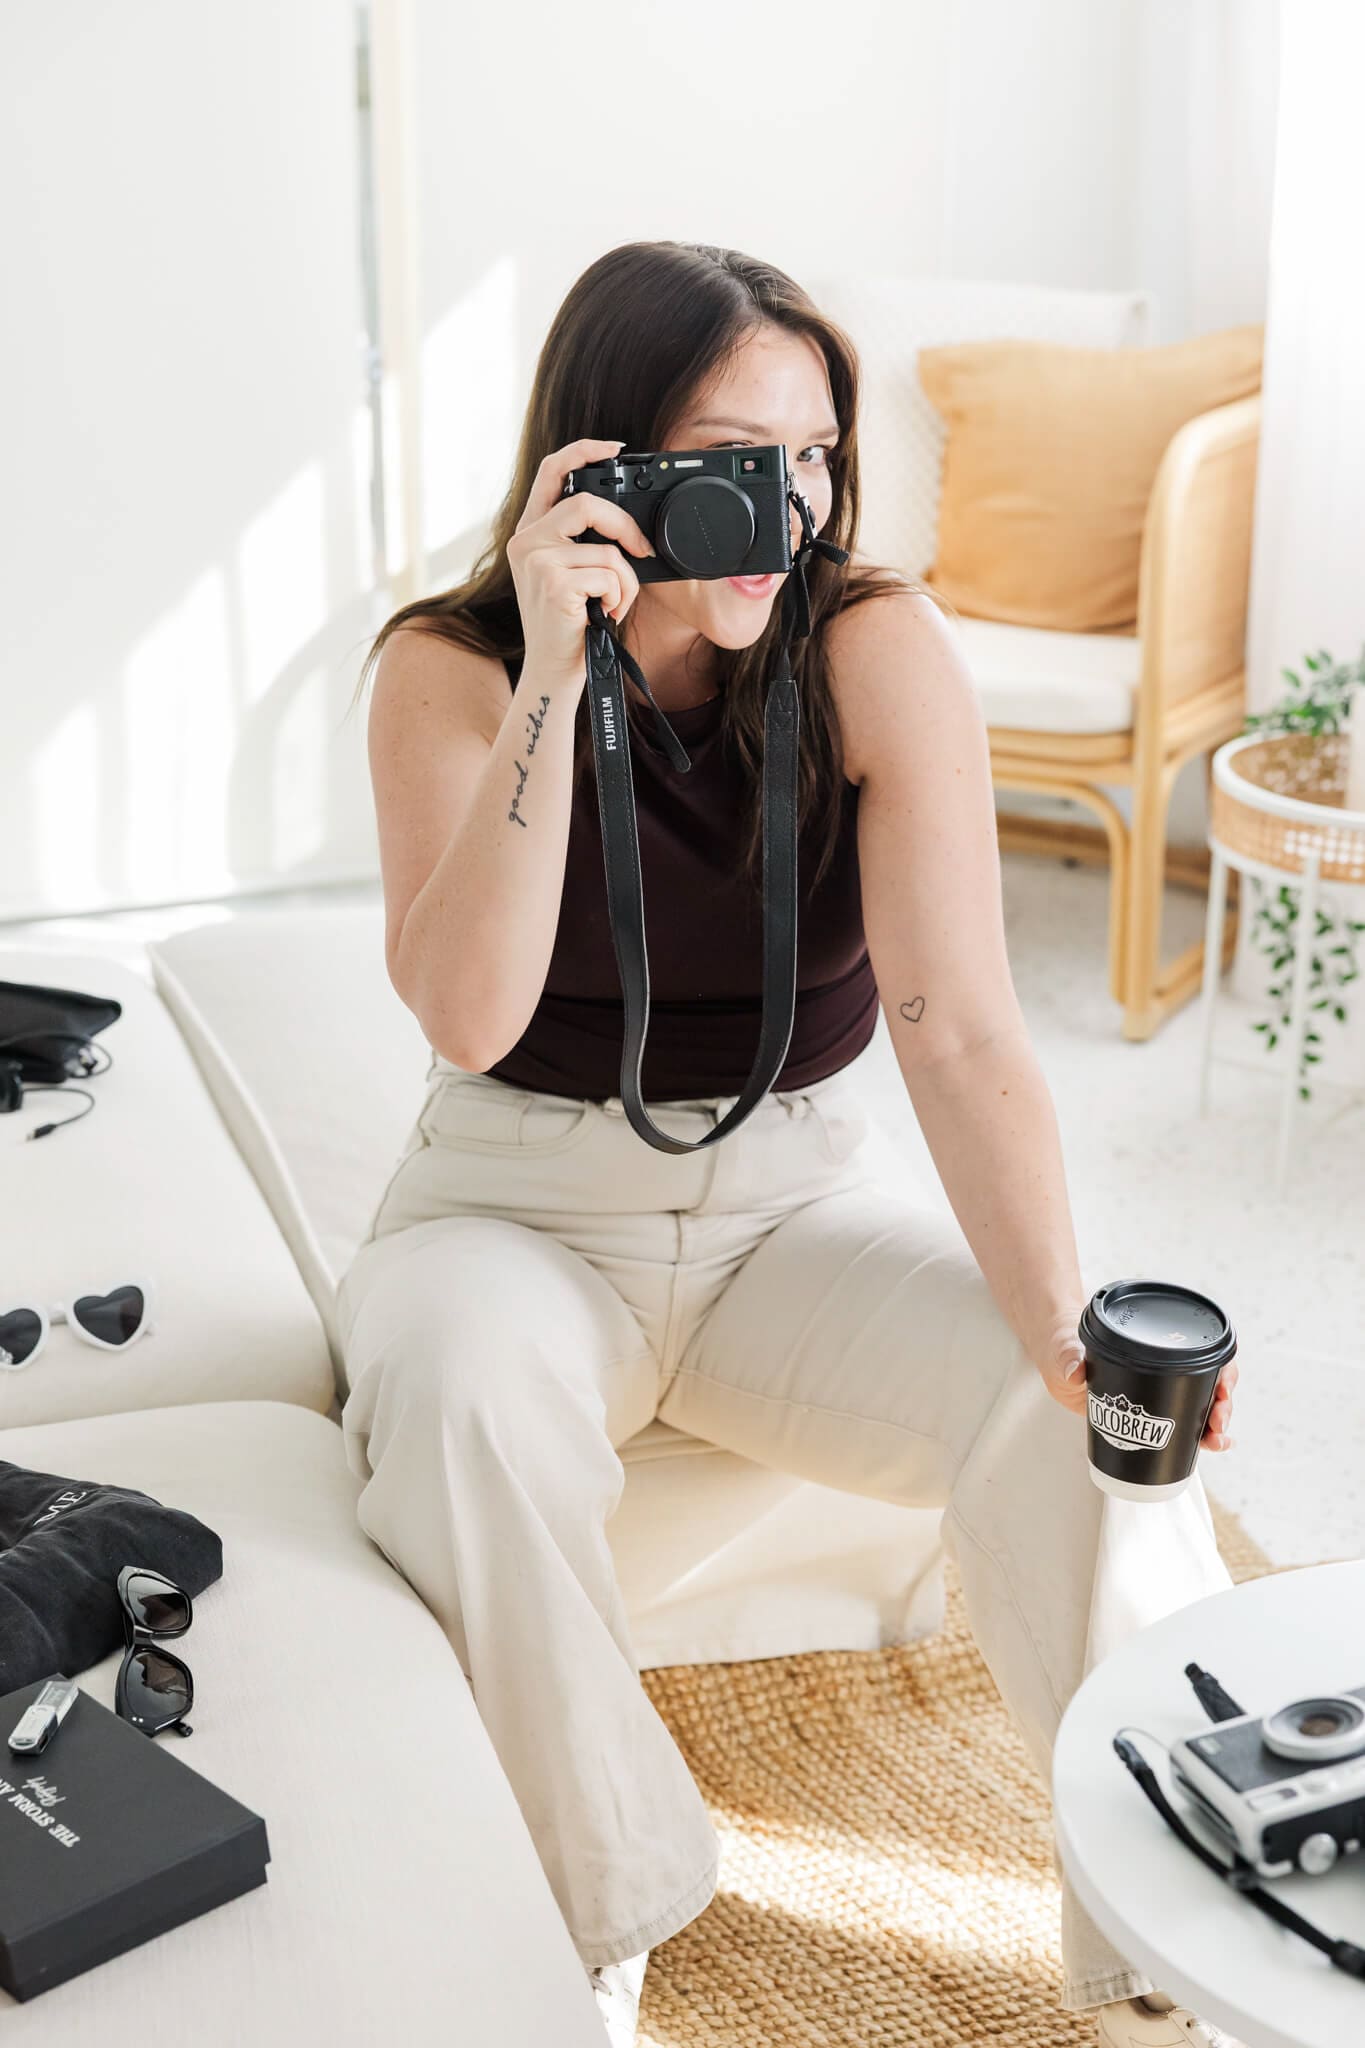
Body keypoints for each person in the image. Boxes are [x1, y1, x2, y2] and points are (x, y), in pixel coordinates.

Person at [335, 239, 1243, 2048]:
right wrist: (553, 664)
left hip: (784, 1212)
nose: (778, 509)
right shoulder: (444, 669)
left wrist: (1063, 1325)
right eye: (727, 455)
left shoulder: (870, 644)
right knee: (452, 1393)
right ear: (595, 463)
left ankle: (1174, 1938)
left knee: (1070, 1412)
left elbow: (962, 1025)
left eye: (813, 455)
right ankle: (603, 1914)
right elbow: (466, 1014)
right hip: (512, 1206)